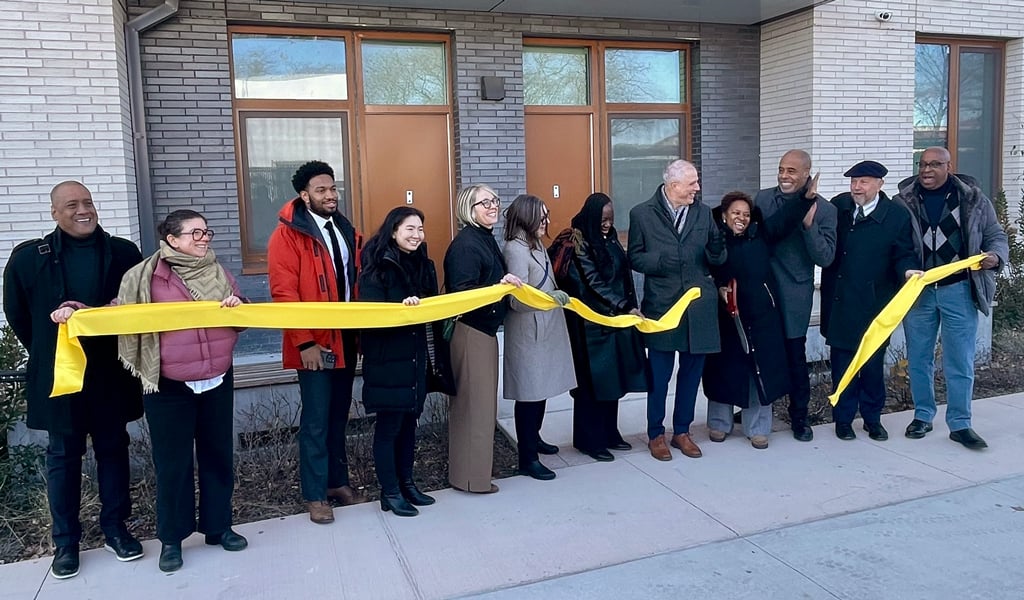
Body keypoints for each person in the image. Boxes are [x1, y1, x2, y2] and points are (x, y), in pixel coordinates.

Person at [2, 181, 144, 579]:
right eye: (71, 205)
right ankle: (66, 542)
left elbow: (140, 302)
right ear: (54, 213)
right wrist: (50, 351)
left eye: (87, 202)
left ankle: (116, 529)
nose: (82, 210)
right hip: (62, 378)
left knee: (114, 450)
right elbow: (17, 315)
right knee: (63, 457)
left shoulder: (123, 253)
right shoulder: (30, 258)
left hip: (111, 374)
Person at [117, 210, 248, 572]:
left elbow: (242, 315)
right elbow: (117, 314)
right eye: (195, 233)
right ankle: (171, 540)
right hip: (169, 385)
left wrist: (239, 308)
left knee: (218, 456)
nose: (204, 238)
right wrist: (76, 312)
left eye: (206, 231)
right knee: (172, 464)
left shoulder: (217, 271)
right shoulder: (146, 277)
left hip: (217, 379)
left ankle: (219, 527)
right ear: (172, 240)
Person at [267, 160, 367, 525]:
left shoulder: (343, 228)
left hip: (345, 339)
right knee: (315, 421)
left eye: (333, 188)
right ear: (304, 195)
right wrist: (305, 342)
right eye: (321, 190)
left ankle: (336, 484)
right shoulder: (287, 235)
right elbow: (284, 294)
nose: (330, 195)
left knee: (338, 415)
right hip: (315, 345)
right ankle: (314, 494)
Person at [894, 147, 1008, 449]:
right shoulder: (903, 201)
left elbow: (995, 234)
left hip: (958, 289)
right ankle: (922, 415)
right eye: (922, 164)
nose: (927, 170)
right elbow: (895, 245)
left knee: (960, 359)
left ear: (949, 166)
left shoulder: (973, 200)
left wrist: (995, 257)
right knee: (919, 357)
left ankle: (960, 424)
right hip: (918, 292)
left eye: (934, 164)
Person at [628, 159, 726, 461]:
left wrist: (716, 251)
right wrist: (659, 262)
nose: (697, 188)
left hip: (698, 309)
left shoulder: (704, 213)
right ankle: (655, 434)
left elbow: (718, 254)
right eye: (692, 183)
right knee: (659, 376)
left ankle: (681, 431)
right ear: (673, 186)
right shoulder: (642, 214)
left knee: (691, 374)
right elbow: (634, 258)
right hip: (662, 307)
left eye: (696, 183)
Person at [703, 189, 816, 449]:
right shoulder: (713, 237)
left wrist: (805, 199)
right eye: (735, 213)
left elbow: (785, 219)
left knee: (758, 370)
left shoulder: (761, 234)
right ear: (723, 215)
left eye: (745, 213)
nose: (740, 218)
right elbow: (706, 265)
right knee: (723, 369)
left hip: (761, 315)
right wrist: (719, 286)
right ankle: (719, 424)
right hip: (726, 316)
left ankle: (758, 428)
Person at [358, 206, 446, 517]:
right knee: (389, 428)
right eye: (410, 229)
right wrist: (401, 309)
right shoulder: (376, 269)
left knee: (410, 425)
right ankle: (390, 491)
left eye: (421, 229)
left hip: (415, 359)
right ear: (394, 230)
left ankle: (407, 483)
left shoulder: (424, 265)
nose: (417, 235)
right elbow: (369, 320)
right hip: (388, 363)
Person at [822, 161, 920, 441]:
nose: (856, 187)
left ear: (879, 184)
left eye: (863, 182)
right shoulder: (839, 206)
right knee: (841, 365)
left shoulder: (896, 216)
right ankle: (842, 420)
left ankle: (872, 419)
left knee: (872, 366)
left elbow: (904, 253)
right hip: (840, 300)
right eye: (854, 181)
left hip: (874, 305)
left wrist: (908, 270)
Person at [550, 193, 647, 462]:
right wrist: (623, 305)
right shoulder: (577, 241)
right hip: (589, 324)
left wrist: (626, 307)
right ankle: (588, 440)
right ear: (592, 216)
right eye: (603, 219)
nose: (607, 224)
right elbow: (592, 281)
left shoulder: (609, 238)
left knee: (612, 380)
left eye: (611, 219)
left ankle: (609, 432)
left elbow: (621, 275)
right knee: (592, 385)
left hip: (613, 318)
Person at [443, 184, 523, 493]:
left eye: (494, 201)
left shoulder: (484, 239)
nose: (492, 206)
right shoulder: (466, 245)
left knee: (479, 409)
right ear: (468, 208)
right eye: (484, 202)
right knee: (474, 409)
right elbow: (462, 294)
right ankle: (472, 481)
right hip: (471, 333)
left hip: (484, 333)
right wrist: (497, 287)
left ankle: (471, 475)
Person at [754, 150, 837, 441]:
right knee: (759, 354)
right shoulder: (761, 200)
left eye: (791, 171)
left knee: (794, 358)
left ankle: (799, 417)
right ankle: (755, 408)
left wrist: (808, 226)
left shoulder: (825, 210)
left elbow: (825, 258)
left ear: (806, 174)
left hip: (794, 294)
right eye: (781, 170)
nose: (784, 176)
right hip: (762, 290)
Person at [502, 194, 577, 480]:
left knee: (541, 390)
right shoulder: (516, 250)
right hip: (529, 333)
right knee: (529, 395)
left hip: (545, 329)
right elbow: (516, 299)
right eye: (542, 216)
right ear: (527, 217)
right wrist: (548, 298)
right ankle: (527, 457)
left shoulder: (535, 243)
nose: (547, 221)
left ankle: (534, 439)